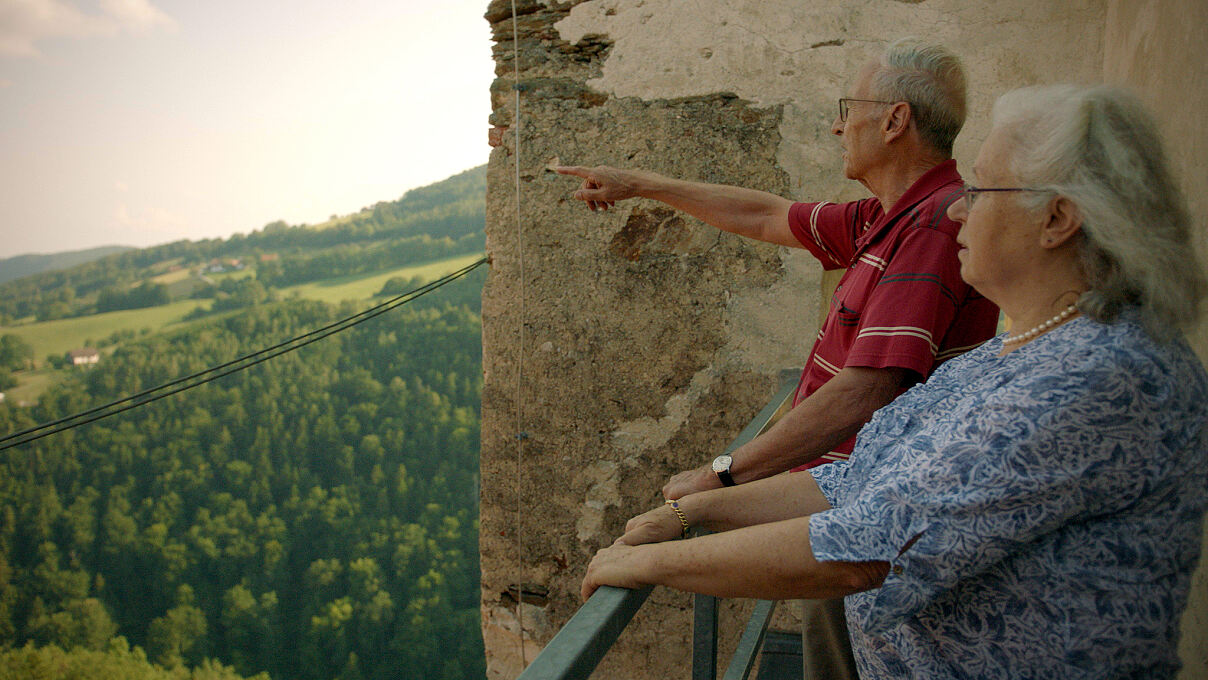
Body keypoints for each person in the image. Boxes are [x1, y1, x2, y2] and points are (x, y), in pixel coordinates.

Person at [579, 83, 1208, 678]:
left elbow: (864, 547)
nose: (960, 208)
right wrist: (692, 511)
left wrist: (647, 563)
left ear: (1057, 220)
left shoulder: (1099, 377)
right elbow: (858, 479)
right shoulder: (1022, 347)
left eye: (982, 191)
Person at [559, 37, 998, 678]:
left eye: (849, 108)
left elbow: (866, 389)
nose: (837, 124)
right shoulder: (888, 216)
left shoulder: (930, 226)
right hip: (839, 501)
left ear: (895, 120)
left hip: (865, 518)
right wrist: (639, 185)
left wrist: (724, 475)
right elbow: (765, 214)